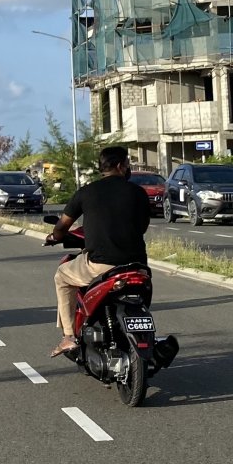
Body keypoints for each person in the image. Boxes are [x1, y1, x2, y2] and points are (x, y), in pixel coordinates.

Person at [44, 144, 151, 357]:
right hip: (138, 265)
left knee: (62, 276)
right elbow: (142, 227)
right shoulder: (138, 193)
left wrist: (54, 237)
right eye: (128, 163)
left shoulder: (86, 192)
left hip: (101, 265)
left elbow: (62, 227)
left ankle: (67, 337)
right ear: (121, 166)